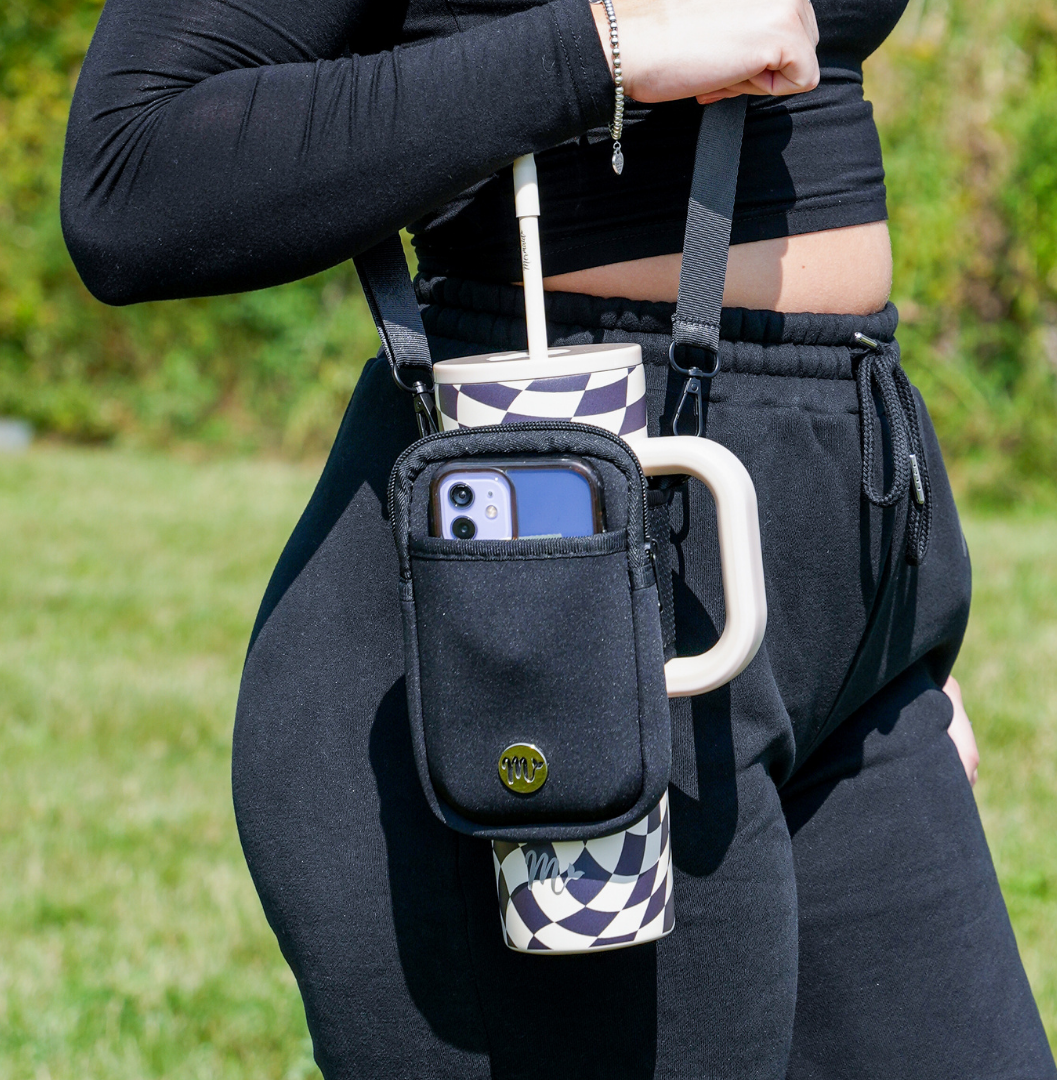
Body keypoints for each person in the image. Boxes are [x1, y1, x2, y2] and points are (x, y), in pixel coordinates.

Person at [61, 0, 1053, 1075]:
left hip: (820, 591)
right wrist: (603, 48)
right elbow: (131, 174)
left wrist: (858, 616)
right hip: (544, 601)